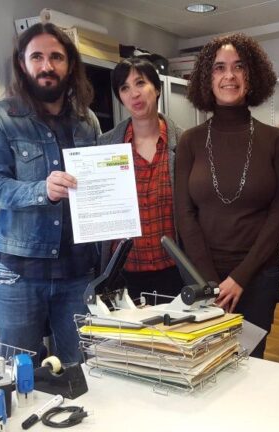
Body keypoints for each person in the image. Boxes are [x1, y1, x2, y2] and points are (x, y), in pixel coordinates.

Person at [0, 23, 101, 364]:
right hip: (20, 274)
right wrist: (41, 190)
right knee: (21, 375)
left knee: (84, 371)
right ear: (22, 63)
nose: (47, 66)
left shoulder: (87, 120)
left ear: (70, 65)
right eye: (37, 57)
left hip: (78, 273)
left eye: (56, 57)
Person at [175, 33, 279, 359]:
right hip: (202, 276)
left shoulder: (274, 139)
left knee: (251, 362)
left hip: (259, 276)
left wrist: (239, 277)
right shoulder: (191, 141)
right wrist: (210, 282)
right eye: (219, 68)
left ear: (252, 77)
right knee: (206, 363)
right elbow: (184, 213)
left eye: (239, 67)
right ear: (207, 79)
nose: (229, 76)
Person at [98, 57, 184, 304]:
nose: (134, 93)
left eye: (140, 83)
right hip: (122, 276)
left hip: (174, 273)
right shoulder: (106, 145)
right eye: (124, 88)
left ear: (156, 88)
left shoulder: (184, 142)